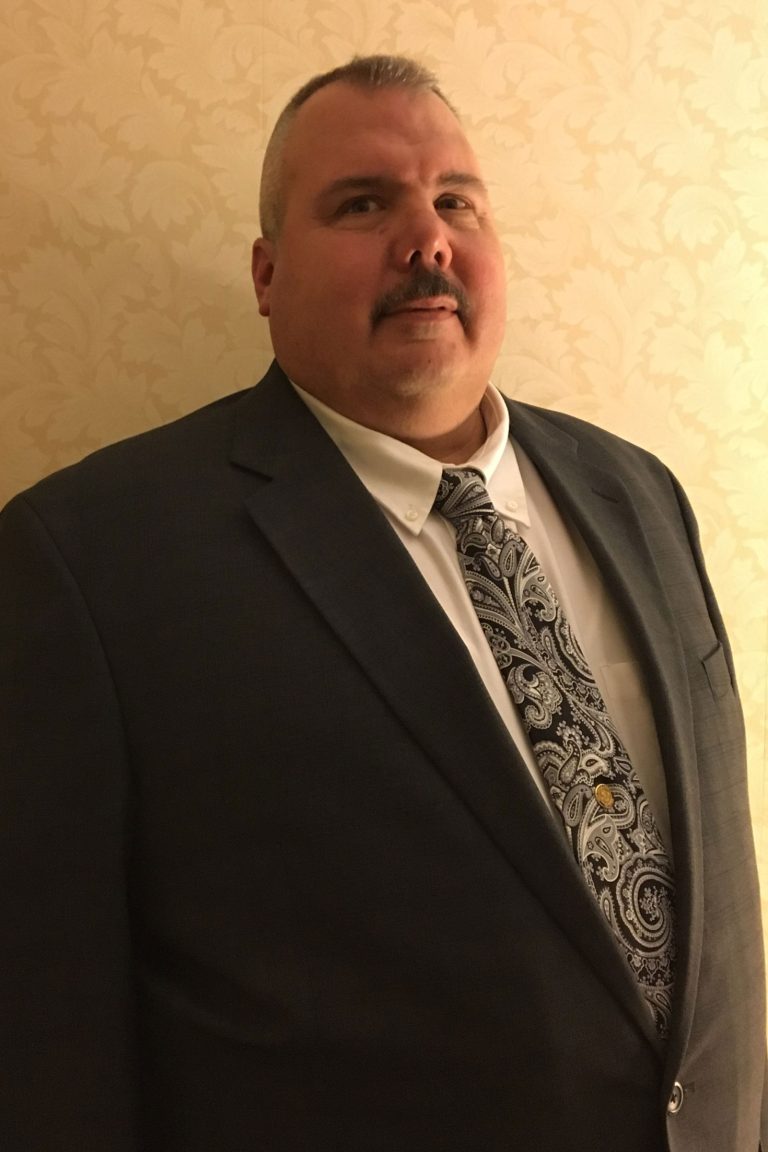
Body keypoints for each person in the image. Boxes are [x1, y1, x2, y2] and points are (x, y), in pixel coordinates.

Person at [0, 54, 765, 1152]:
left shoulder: (641, 492)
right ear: (266, 275)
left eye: (457, 200)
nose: (428, 239)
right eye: (364, 204)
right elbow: (47, 1030)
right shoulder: (92, 558)